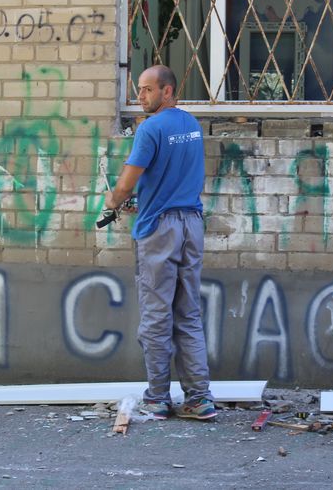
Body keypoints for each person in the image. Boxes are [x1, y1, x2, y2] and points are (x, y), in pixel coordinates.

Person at [104, 65, 215, 420]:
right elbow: (174, 177)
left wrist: (114, 201)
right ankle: (199, 398)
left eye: (148, 89)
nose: (141, 96)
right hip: (191, 224)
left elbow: (126, 184)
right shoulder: (191, 125)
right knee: (188, 313)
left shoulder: (150, 129)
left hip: (160, 230)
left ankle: (157, 398)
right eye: (139, 89)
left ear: (168, 91)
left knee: (156, 315)